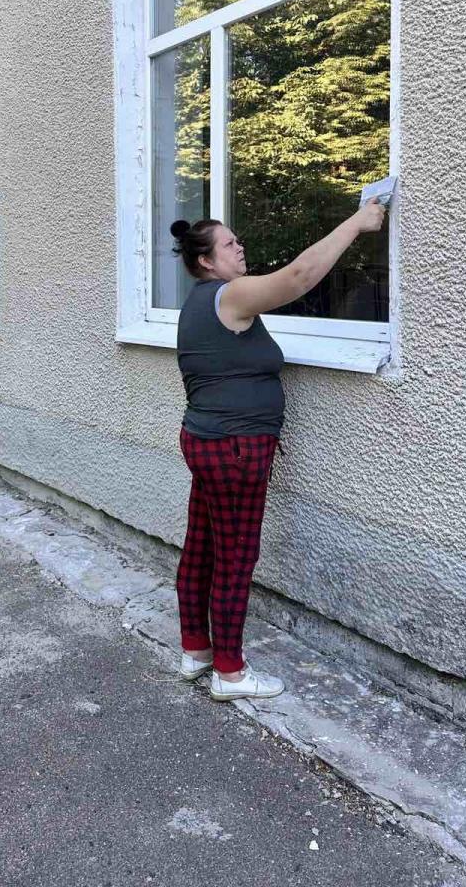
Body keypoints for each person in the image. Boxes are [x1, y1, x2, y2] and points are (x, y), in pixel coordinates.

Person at [171, 199, 388, 701]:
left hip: (206, 441)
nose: (239, 246)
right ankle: (230, 673)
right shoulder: (229, 295)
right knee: (235, 558)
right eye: (229, 243)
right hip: (235, 450)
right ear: (206, 261)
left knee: (203, 547)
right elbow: (298, 277)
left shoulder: (199, 302)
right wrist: (356, 223)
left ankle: (196, 651)